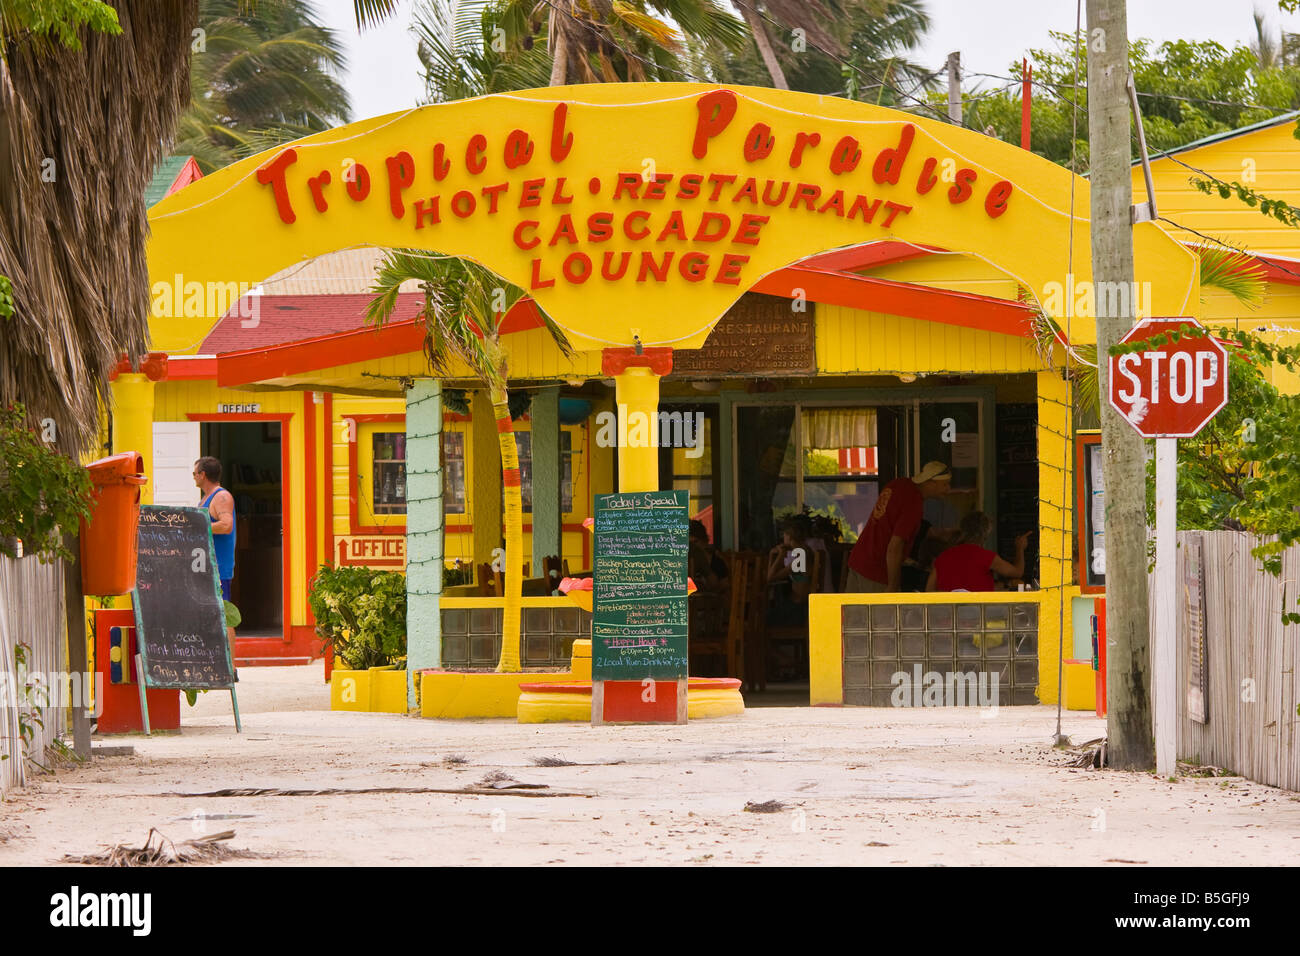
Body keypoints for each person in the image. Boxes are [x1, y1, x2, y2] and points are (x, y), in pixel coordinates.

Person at [845, 461, 952, 592]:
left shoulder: (898, 484)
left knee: (853, 612)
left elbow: (886, 523)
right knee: (880, 613)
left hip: (858, 560)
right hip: (877, 570)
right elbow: (895, 547)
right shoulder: (913, 503)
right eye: (945, 484)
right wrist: (893, 585)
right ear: (931, 482)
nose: (948, 489)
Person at [927, 511, 1030, 592]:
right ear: (986, 534)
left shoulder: (943, 556)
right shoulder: (987, 557)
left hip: (948, 615)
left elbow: (929, 590)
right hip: (979, 615)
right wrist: (1020, 548)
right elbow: (1017, 572)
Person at [194, 457, 236, 602]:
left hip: (218, 568)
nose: (194, 477)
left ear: (203, 474)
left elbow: (226, 525)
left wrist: (196, 528)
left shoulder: (221, 497)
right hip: (204, 566)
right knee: (212, 617)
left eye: (194, 474)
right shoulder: (205, 499)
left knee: (223, 617)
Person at [688, 519, 729, 593]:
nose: (693, 548)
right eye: (690, 544)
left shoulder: (716, 562)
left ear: (704, 540)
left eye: (695, 542)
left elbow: (725, 586)